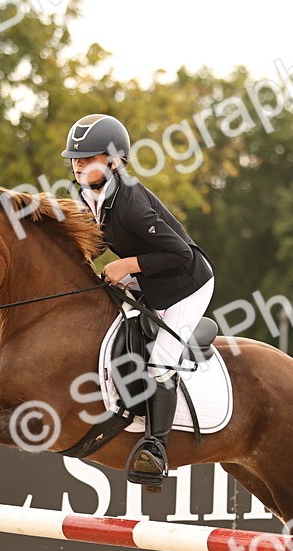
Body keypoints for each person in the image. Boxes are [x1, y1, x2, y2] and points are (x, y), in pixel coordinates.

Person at [63, 113, 215, 489]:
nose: (79, 164)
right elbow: (94, 243)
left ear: (114, 161)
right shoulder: (88, 196)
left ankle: (156, 449)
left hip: (186, 283)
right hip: (150, 277)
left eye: (89, 157)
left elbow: (181, 253)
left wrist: (125, 265)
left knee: (161, 364)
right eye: (76, 158)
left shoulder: (131, 202)